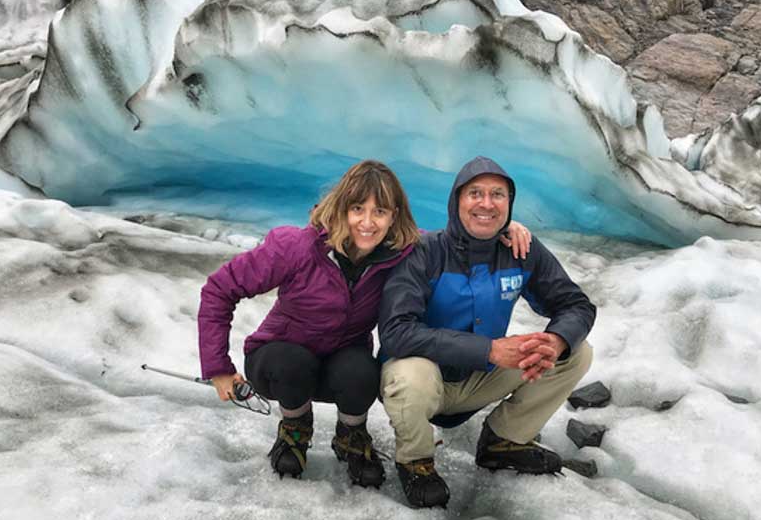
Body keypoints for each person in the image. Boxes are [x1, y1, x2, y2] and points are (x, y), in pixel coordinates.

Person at [197, 160, 532, 487]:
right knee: (291, 363)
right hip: (278, 359)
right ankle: (295, 429)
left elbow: (454, 241)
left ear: (393, 216)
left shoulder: (403, 252)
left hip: (342, 360)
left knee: (362, 372)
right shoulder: (295, 247)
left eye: (380, 212)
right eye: (358, 209)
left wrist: (500, 230)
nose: (367, 223)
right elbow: (219, 290)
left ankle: (351, 434)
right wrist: (218, 367)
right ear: (341, 208)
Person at [378, 156, 596, 508]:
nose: (486, 203)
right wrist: (489, 350)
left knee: (576, 351)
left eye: (498, 194)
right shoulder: (423, 252)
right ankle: (415, 459)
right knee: (409, 373)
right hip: (425, 381)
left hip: (482, 378)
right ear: (456, 201)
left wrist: (556, 341)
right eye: (475, 193)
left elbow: (576, 305)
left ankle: (504, 441)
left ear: (509, 205)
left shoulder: (521, 250)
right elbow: (395, 333)